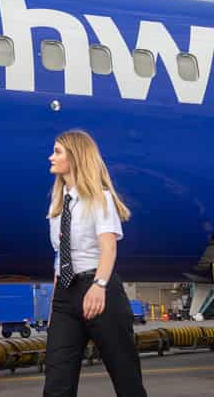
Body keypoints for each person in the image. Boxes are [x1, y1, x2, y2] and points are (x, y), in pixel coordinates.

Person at [43, 130, 146, 397]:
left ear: (75, 157)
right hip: (66, 296)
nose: (50, 157)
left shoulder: (100, 199)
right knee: (56, 381)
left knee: (126, 378)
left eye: (57, 152)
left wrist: (99, 285)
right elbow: (61, 256)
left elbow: (108, 248)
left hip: (99, 290)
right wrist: (55, 303)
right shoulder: (57, 204)